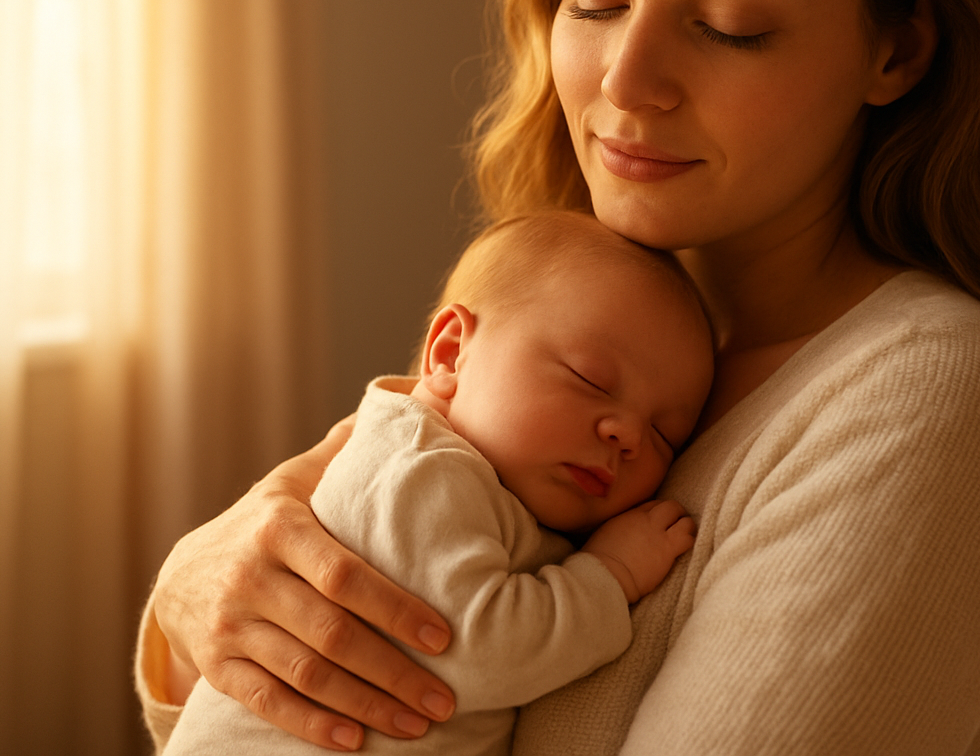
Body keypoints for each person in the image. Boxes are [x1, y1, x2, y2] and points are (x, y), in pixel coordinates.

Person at [135, 0, 980, 753]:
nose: (626, 79)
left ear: (899, 48)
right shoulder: (565, 328)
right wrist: (193, 596)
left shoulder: (929, 396)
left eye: (732, 24)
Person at [159, 212, 714, 755]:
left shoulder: (491, 483)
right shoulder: (424, 469)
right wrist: (611, 575)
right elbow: (477, 652)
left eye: (666, 435)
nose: (628, 436)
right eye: (590, 378)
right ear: (450, 353)